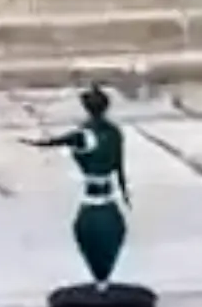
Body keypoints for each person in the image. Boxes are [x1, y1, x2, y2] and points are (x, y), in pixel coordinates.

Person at [23, 84, 130, 290]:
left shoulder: (84, 135)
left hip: (92, 199)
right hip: (109, 197)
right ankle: (103, 281)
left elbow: (52, 142)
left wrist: (29, 142)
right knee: (109, 235)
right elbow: (120, 165)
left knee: (91, 236)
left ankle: (100, 281)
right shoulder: (114, 132)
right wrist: (124, 192)